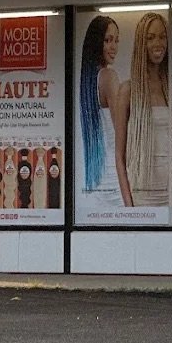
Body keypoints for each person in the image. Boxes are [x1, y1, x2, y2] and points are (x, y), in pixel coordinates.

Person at [113, 12, 172, 207]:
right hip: (140, 191)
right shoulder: (128, 90)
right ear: (142, 44)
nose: (158, 43)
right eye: (150, 38)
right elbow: (119, 155)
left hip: (170, 189)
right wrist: (128, 205)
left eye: (162, 36)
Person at [78, 14, 122, 203]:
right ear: (97, 43)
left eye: (116, 41)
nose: (114, 47)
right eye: (108, 40)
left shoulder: (88, 81)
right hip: (116, 180)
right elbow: (122, 132)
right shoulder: (108, 76)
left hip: (97, 181)